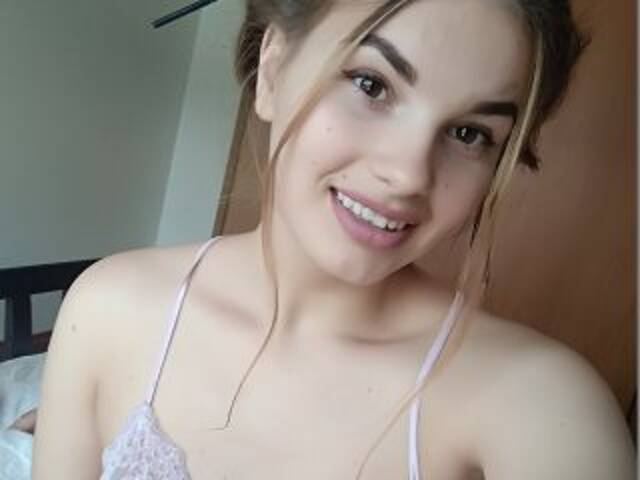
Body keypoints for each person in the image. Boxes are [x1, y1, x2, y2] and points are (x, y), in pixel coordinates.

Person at [33, 0, 635, 478]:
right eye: (371, 85)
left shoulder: (540, 404)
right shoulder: (107, 308)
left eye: (469, 133)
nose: (409, 175)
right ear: (272, 69)